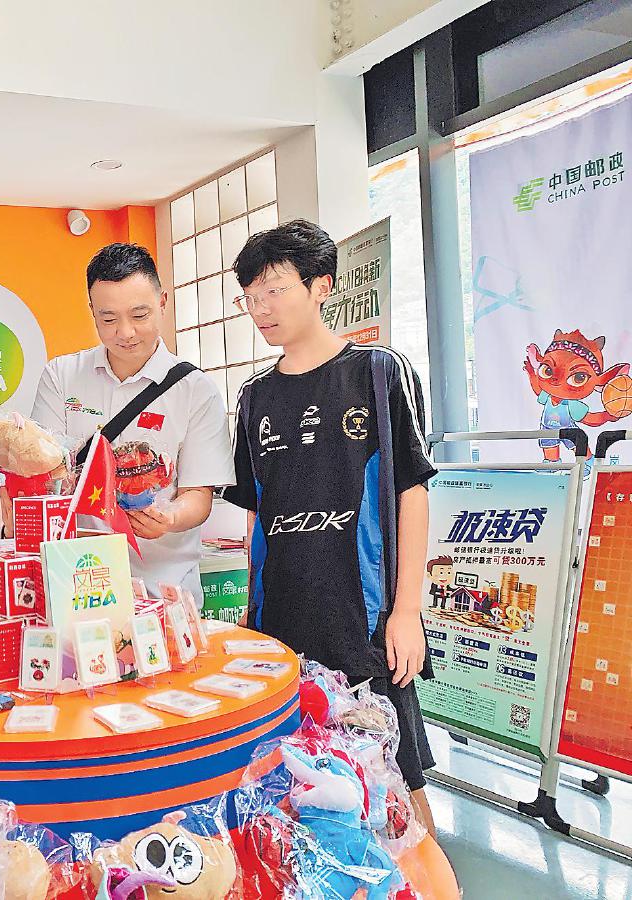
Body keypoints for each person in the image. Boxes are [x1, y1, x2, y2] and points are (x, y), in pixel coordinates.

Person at [221, 219, 439, 836]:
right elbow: (256, 516)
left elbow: (411, 492)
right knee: (299, 785)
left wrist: (407, 612)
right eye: (250, 297)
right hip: (281, 627)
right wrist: (250, 614)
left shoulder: (378, 371)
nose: (261, 309)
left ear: (322, 286)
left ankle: (428, 879)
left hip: (363, 621)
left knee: (398, 784)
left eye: (275, 290)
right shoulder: (254, 398)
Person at [31, 243, 234, 598]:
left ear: (162, 302)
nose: (125, 332)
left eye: (139, 315)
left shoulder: (195, 389)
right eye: (109, 319)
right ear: (92, 311)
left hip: (164, 590)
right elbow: (43, 471)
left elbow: (198, 494)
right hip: (77, 585)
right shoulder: (61, 376)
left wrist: (170, 517)